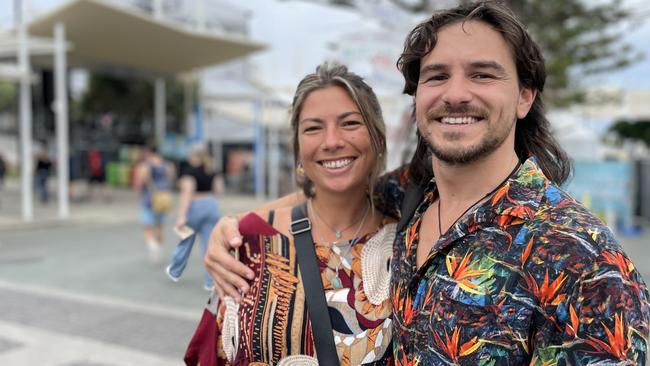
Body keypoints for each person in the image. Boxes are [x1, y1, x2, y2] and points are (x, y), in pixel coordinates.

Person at [203, 1, 650, 364]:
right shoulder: (411, 195)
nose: (455, 93)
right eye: (437, 76)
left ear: (525, 96)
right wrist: (236, 226)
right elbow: (332, 187)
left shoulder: (582, 259)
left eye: (482, 74)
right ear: (417, 98)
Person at [185, 63, 396, 365]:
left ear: (378, 139)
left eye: (350, 123)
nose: (332, 141)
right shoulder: (249, 239)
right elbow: (212, 353)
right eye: (313, 128)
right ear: (297, 149)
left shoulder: (408, 241)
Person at [166, 146, 223, 291]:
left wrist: (181, 216)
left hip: (195, 206)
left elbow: (187, 194)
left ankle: (175, 271)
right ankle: (211, 282)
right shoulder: (212, 171)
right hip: (211, 205)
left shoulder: (189, 172)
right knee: (210, 245)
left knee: (185, 241)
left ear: (193, 156)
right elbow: (218, 190)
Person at [133, 145, 175, 262]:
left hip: (149, 198)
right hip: (163, 198)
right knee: (159, 226)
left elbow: (140, 183)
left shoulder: (145, 165)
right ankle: (159, 249)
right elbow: (171, 180)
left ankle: (153, 246)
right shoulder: (167, 165)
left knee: (147, 227)